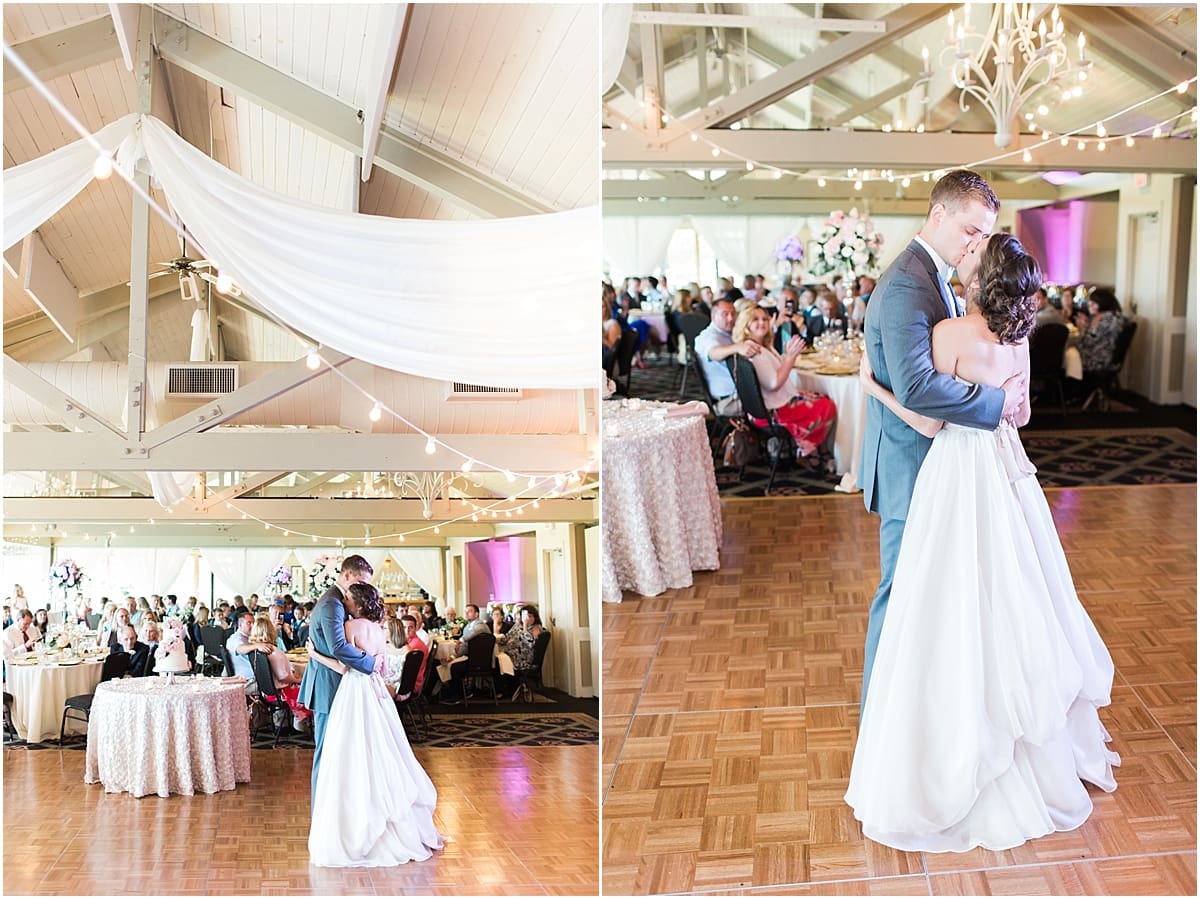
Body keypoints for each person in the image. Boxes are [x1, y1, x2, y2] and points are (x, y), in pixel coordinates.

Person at [845, 232, 1119, 852]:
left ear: (975, 282)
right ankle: (1027, 735)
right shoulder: (1018, 342)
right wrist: (994, 402)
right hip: (1006, 474)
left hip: (953, 475)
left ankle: (951, 728)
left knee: (947, 593)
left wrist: (873, 388)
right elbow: (1016, 416)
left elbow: (927, 417)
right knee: (1015, 589)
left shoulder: (947, 336)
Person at [858, 169, 1025, 709]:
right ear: (939, 214)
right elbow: (919, 388)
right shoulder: (909, 282)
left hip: (941, 461)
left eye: (984, 235)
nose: (977, 243)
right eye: (971, 230)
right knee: (901, 590)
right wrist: (999, 405)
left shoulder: (939, 279)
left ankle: (926, 708)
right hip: (909, 463)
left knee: (935, 595)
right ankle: (880, 718)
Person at [304, 582, 443, 866]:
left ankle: (356, 813)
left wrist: (314, 654)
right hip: (376, 692)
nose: (345, 602)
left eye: (349, 599)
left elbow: (343, 666)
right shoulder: (379, 631)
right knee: (380, 748)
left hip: (354, 691)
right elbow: (379, 667)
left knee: (350, 750)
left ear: (357, 604)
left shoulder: (350, 628)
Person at [297, 554, 379, 804]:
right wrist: (371, 663)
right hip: (328, 685)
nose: (363, 588)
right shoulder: (332, 604)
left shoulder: (341, 602)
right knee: (326, 751)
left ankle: (338, 808)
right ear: (346, 575)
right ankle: (321, 812)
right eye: (360, 581)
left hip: (338, 682)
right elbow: (339, 647)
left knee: (340, 751)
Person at [732, 305, 837, 462]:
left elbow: (774, 370)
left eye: (765, 319)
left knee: (818, 396)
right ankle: (808, 448)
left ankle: (814, 448)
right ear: (746, 324)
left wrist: (787, 355)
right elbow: (774, 383)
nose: (762, 323)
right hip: (774, 412)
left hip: (762, 409)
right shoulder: (755, 352)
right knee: (827, 405)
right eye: (755, 319)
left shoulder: (757, 346)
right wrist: (790, 357)